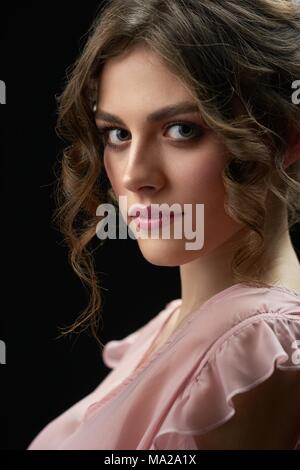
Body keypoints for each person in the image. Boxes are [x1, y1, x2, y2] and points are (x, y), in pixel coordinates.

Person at [28, 0, 300, 450]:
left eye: (181, 130)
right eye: (118, 134)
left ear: (287, 136)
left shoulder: (259, 345)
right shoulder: (180, 323)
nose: (134, 175)